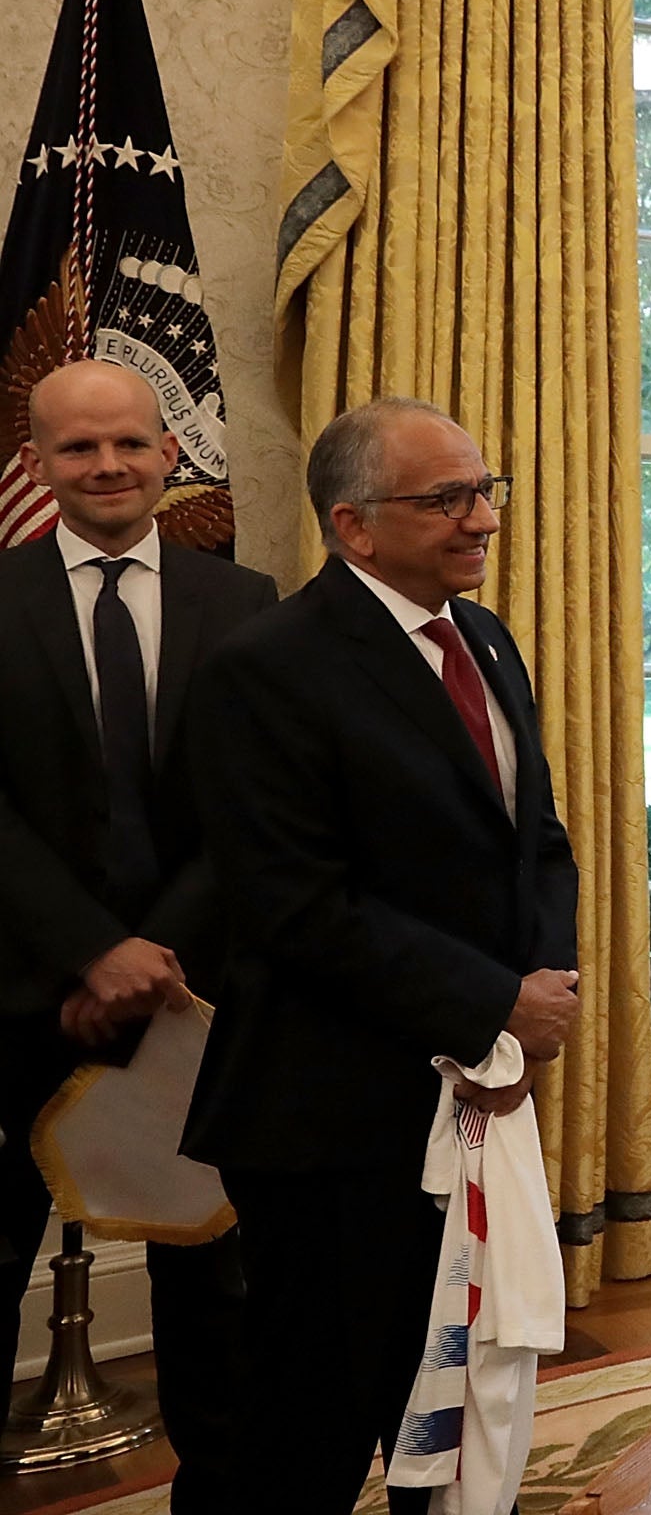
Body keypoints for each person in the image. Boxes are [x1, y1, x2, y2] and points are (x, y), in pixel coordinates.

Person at [184, 397, 580, 1515]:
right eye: (447, 497)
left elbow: (535, 840)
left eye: (484, 488)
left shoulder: (485, 637)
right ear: (353, 526)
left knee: (449, 1388)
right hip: (329, 1112)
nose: (483, 519)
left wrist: (542, 986)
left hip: (473, 1087)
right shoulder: (266, 666)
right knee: (311, 1414)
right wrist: (494, 1000)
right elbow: (294, 906)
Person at [0, 359, 273, 1510]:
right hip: (21, 998)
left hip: (190, 1005)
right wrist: (86, 949)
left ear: (171, 452)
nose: (105, 465)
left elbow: (254, 803)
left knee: (213, 1291)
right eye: (76, 448)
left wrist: (151, 953)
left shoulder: (247, 601)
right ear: (37, 461)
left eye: (127, 443)